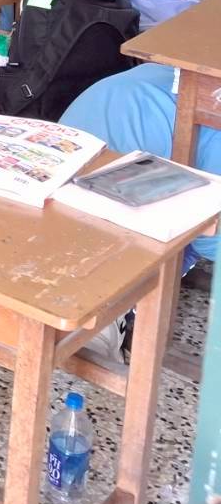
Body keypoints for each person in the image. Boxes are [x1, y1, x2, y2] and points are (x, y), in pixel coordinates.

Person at [60, 62, 215, 362]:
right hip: (103, 208)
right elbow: (209, 234)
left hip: (57, 159)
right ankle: (111, 314)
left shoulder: (181, 70)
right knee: (189, 233)